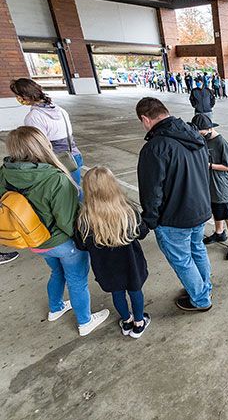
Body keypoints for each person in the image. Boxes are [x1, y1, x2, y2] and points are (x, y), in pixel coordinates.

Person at [0, 126, 109, 336]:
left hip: (34, 240)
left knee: (56, 272)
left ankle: (56, 308)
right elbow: (66, 222)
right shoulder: (55, 178)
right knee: (77, 280)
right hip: (61, 243)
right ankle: (85, 321)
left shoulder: (5, 172)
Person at [135, 98, 213, 312]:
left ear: (145, 119)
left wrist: (148, 221)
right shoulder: (193, 135)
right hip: (200, 210)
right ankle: (204, 288)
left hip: (174, 217)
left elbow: (152, 192)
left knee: (182, 259)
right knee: (197, 250)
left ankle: (200, 299)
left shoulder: (155, 147)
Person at [74, 167, 152, 338]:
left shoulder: (84, 218)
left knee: (117, 293)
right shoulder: (128, 211)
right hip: (131, 263)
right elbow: (143, 232)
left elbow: (81, 244)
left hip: (106, 267)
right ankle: (139, 323)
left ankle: (126, 320)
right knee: (135, 291)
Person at [10, 78, 85, 185]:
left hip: (56, 161)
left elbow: (39, 146)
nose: (17, 98)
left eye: (18, 95)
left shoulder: (34, 117)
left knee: (61, 195)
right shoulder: (59, 109)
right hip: (74, 157)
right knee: (75, 191)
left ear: (26, 95)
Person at [191, 115, 228, 260]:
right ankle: (219, 233)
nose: (200, 136)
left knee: (227, 213)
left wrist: (210, 166)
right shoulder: (204, 140)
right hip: (207, 184)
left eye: (202, 133)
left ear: (210, 129)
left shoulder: (221, 143)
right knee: (215, 209)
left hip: (220, 185)